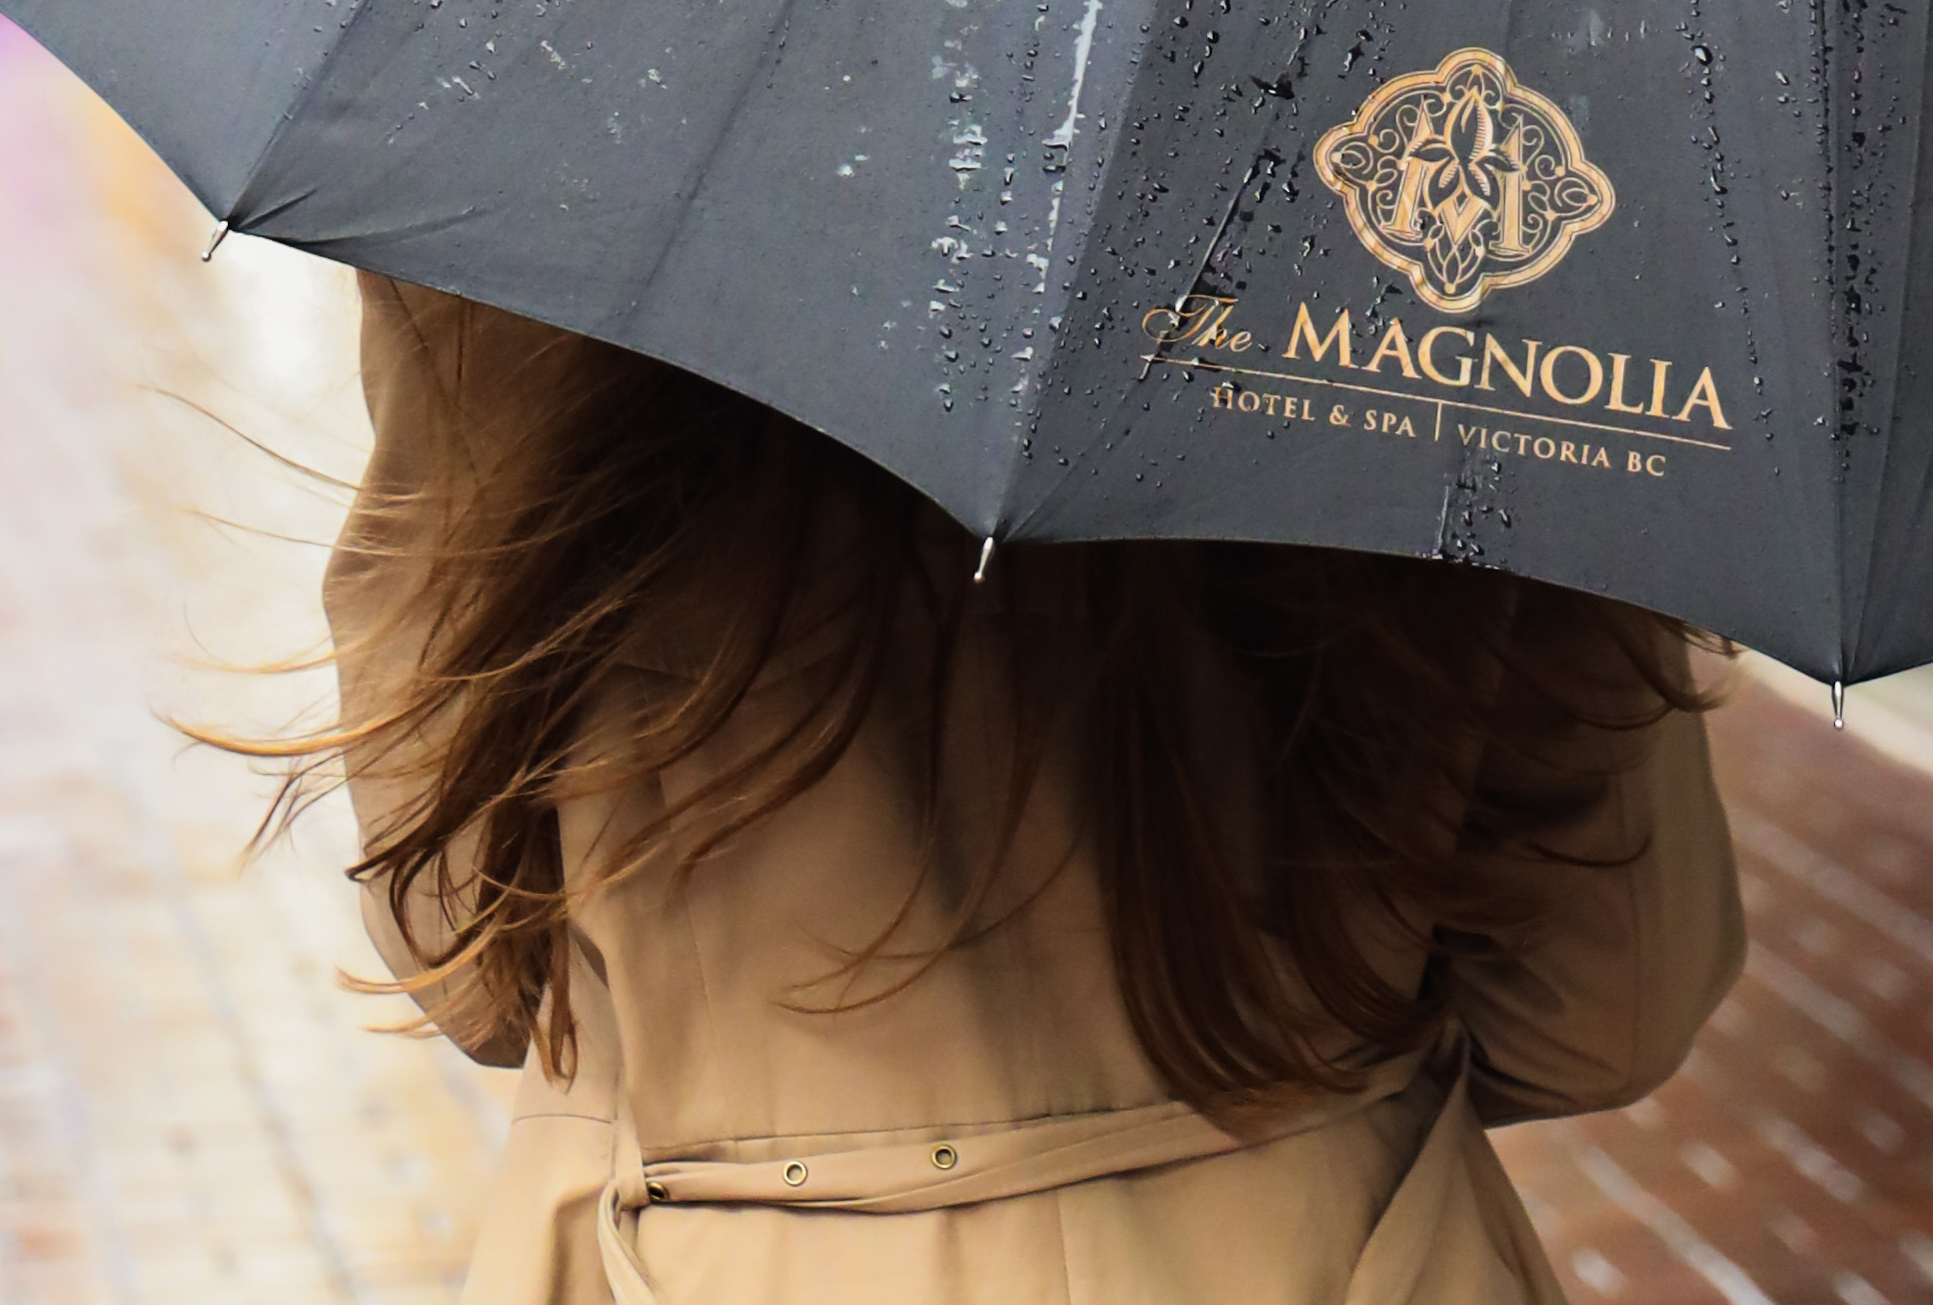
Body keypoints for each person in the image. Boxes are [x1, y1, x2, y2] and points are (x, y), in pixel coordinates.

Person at [270, 278, 1743, 1305]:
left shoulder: (541, 217)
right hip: (1336, 1247)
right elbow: (1601, 1012)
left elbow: (465, 948)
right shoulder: (1460, 209)